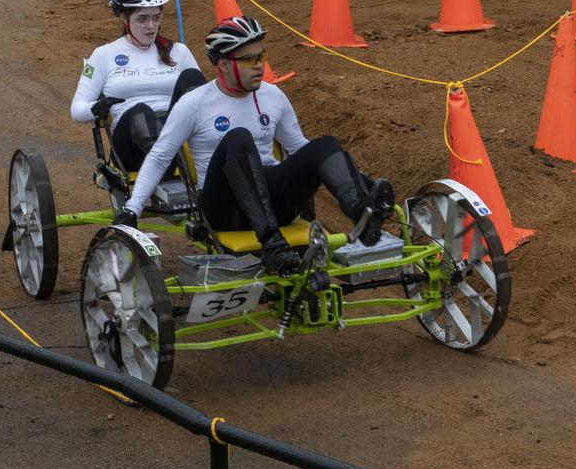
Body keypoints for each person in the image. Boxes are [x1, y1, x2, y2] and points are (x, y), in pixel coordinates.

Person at [114, 16, 395, 275]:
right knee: (238, 138)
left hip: (274, 202)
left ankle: (364, 214)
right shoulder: (195, 103)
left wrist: (361, 181)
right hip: (224, 207)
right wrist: (132, 210)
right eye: (248, 60)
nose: (259, 65)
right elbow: (160, 157)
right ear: (222, 65)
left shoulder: (273, 96)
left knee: (324, 145)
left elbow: (299, 148)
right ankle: (271, 243)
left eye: (261, 56)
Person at [70, 0, 206, 170]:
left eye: (156, 17)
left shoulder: (179, 51)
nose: (151, 26)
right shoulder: (102, 55)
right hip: (131, 146)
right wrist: (95, 108)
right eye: (142, 18)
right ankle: (163, 160)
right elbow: (76, 110)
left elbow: (205, 100)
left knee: (192, 78)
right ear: (125, 19)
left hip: (175, 134)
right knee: (140, 112)